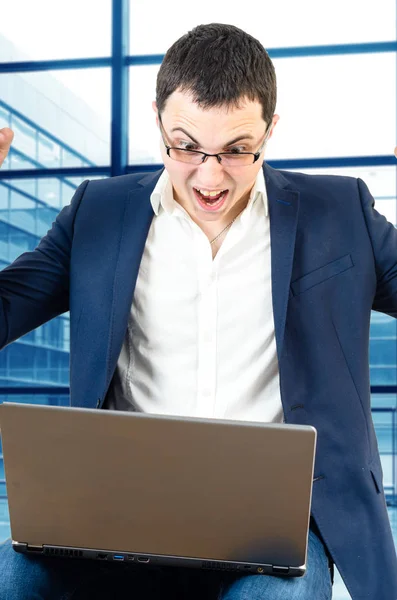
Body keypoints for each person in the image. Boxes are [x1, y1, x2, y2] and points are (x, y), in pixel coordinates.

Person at [0, 22, 396, 600]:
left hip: (273, 531)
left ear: (270, 130)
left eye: (237, 150)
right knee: (14, 577)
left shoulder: (339, 211)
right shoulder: (98, 213)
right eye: (186, 146)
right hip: (114, 516)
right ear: (157, 119)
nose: (210, 177)